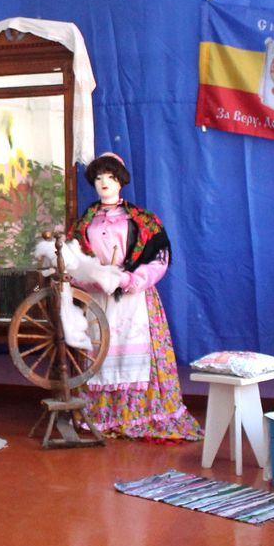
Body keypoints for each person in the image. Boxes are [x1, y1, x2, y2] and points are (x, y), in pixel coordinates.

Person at [61, 152, 201, 441]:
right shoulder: (84, 223)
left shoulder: (143, 220)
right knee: (100, 352)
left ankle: (142, 415)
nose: (104, 182)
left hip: (135, 300)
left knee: (135, 350)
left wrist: (131, 279)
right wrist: (92, 278)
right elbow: (72, 262)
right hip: (98, 301)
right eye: (99, 177)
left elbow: (160, 258)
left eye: (111, 177)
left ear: (121, 181)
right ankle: (102, 416)